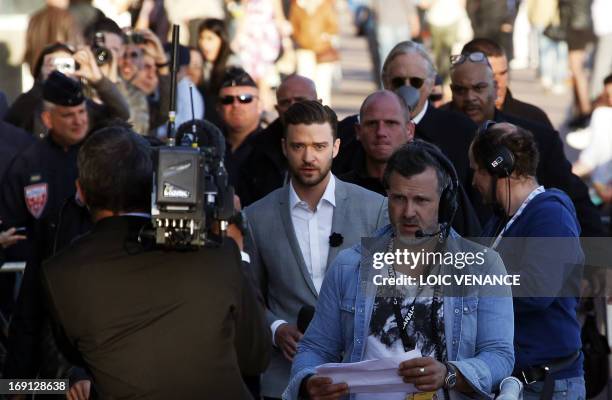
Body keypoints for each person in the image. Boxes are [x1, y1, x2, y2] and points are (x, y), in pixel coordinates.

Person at [41, 124, 270, 399]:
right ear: (154, 185)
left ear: (82, 191)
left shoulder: (61, 271)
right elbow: (255, 357)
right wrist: (236, 247)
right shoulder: (218, 254)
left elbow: (75, 354)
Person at [284, 141, 514, 399]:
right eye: (399, 198)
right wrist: (309, 381)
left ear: (445, 202)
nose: (408, 212)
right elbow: (315, 347)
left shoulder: (483, 266)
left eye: (421, 200)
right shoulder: (349, 266)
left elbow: (500, 356)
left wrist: (450, 374)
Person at [245, 100, 388, 399]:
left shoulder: (375, 209)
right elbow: (248, 295)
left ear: (336, 147)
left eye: (319, 146)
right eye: (298, 147)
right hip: (285, 378)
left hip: (359, 376)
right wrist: (276, 328)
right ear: (284, 147)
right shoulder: (256, 217)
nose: (309, 157)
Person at [470, 122, 585, 400]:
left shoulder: (550, 215)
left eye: (476, 171)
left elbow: (535, 289)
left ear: (499, 168)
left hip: (546, 385)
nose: (473, 182)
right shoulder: (502, 219)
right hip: (516, 382)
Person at [447, 50, 604, 237]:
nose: (470, 97)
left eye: (478, 87)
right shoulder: (436, 133)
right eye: (460, 90)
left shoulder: (549, 216)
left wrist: (601, 259)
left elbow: (577, 199)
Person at [0, 71, 90, 379]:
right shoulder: (28, 163)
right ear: (48, 119)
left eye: (82, 112)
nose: (79, 121)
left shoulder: (99, 156)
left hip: (90, 280)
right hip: (40, 280)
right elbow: (14, 226)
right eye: (68, 115)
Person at [333, 41, 483, 223]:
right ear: (385, 82)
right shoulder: (347, 134)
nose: (406, 88)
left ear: (430, 84)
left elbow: (476, 206)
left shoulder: (461, 132)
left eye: (415, 82)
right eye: (398, 81)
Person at [341, 90, 481, 236]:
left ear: (409, 130)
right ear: (358, 130)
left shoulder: (440, 183)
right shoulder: (340, 189)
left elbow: (472, 244)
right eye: (372, 124)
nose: (381, 132)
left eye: (391, 123)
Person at [237, 74, 319, 207]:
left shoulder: (344, 140)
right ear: (277, 109)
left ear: (318, 103)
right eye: (285, 102)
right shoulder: (259, 147)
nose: (293, 107)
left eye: (300, 100)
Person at [461, 38, 554, 129]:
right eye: (490, 75)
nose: (498, 83)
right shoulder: (449, 123)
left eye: (503, 73)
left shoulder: (534, 119)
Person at [217, 67, 263, 188]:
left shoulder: (273, 147)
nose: (236, 105)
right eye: (227, 99)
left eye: (245, 99)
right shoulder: (209, 145)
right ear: (218, 107)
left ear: (260, 105)